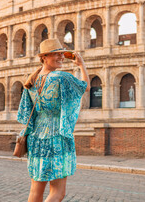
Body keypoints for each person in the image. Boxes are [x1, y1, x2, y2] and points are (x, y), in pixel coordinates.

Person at [17, 38, 90, 202]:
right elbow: (86, 87)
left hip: (36, 138)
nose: (61, 57)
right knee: (58, 192)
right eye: (56, 54)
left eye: (62, 54)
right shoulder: (61, 77)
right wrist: (81, 65)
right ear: (44, 57)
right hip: (57, 137)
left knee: (35, 191)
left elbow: (25, 113)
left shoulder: (32, 80)